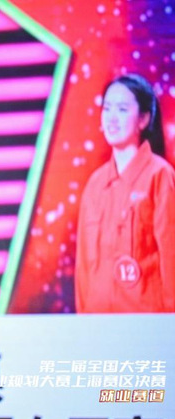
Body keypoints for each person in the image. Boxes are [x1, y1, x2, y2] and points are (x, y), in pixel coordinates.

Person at [76, 74, 175, 313]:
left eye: (121, 109)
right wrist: (83, 324)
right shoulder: (95, 184)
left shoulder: (159, 175)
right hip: (98, 325)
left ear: (143, 119)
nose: (111, 118)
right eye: (107, 108)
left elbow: (171, 257)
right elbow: (83, 270)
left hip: (146, 325)